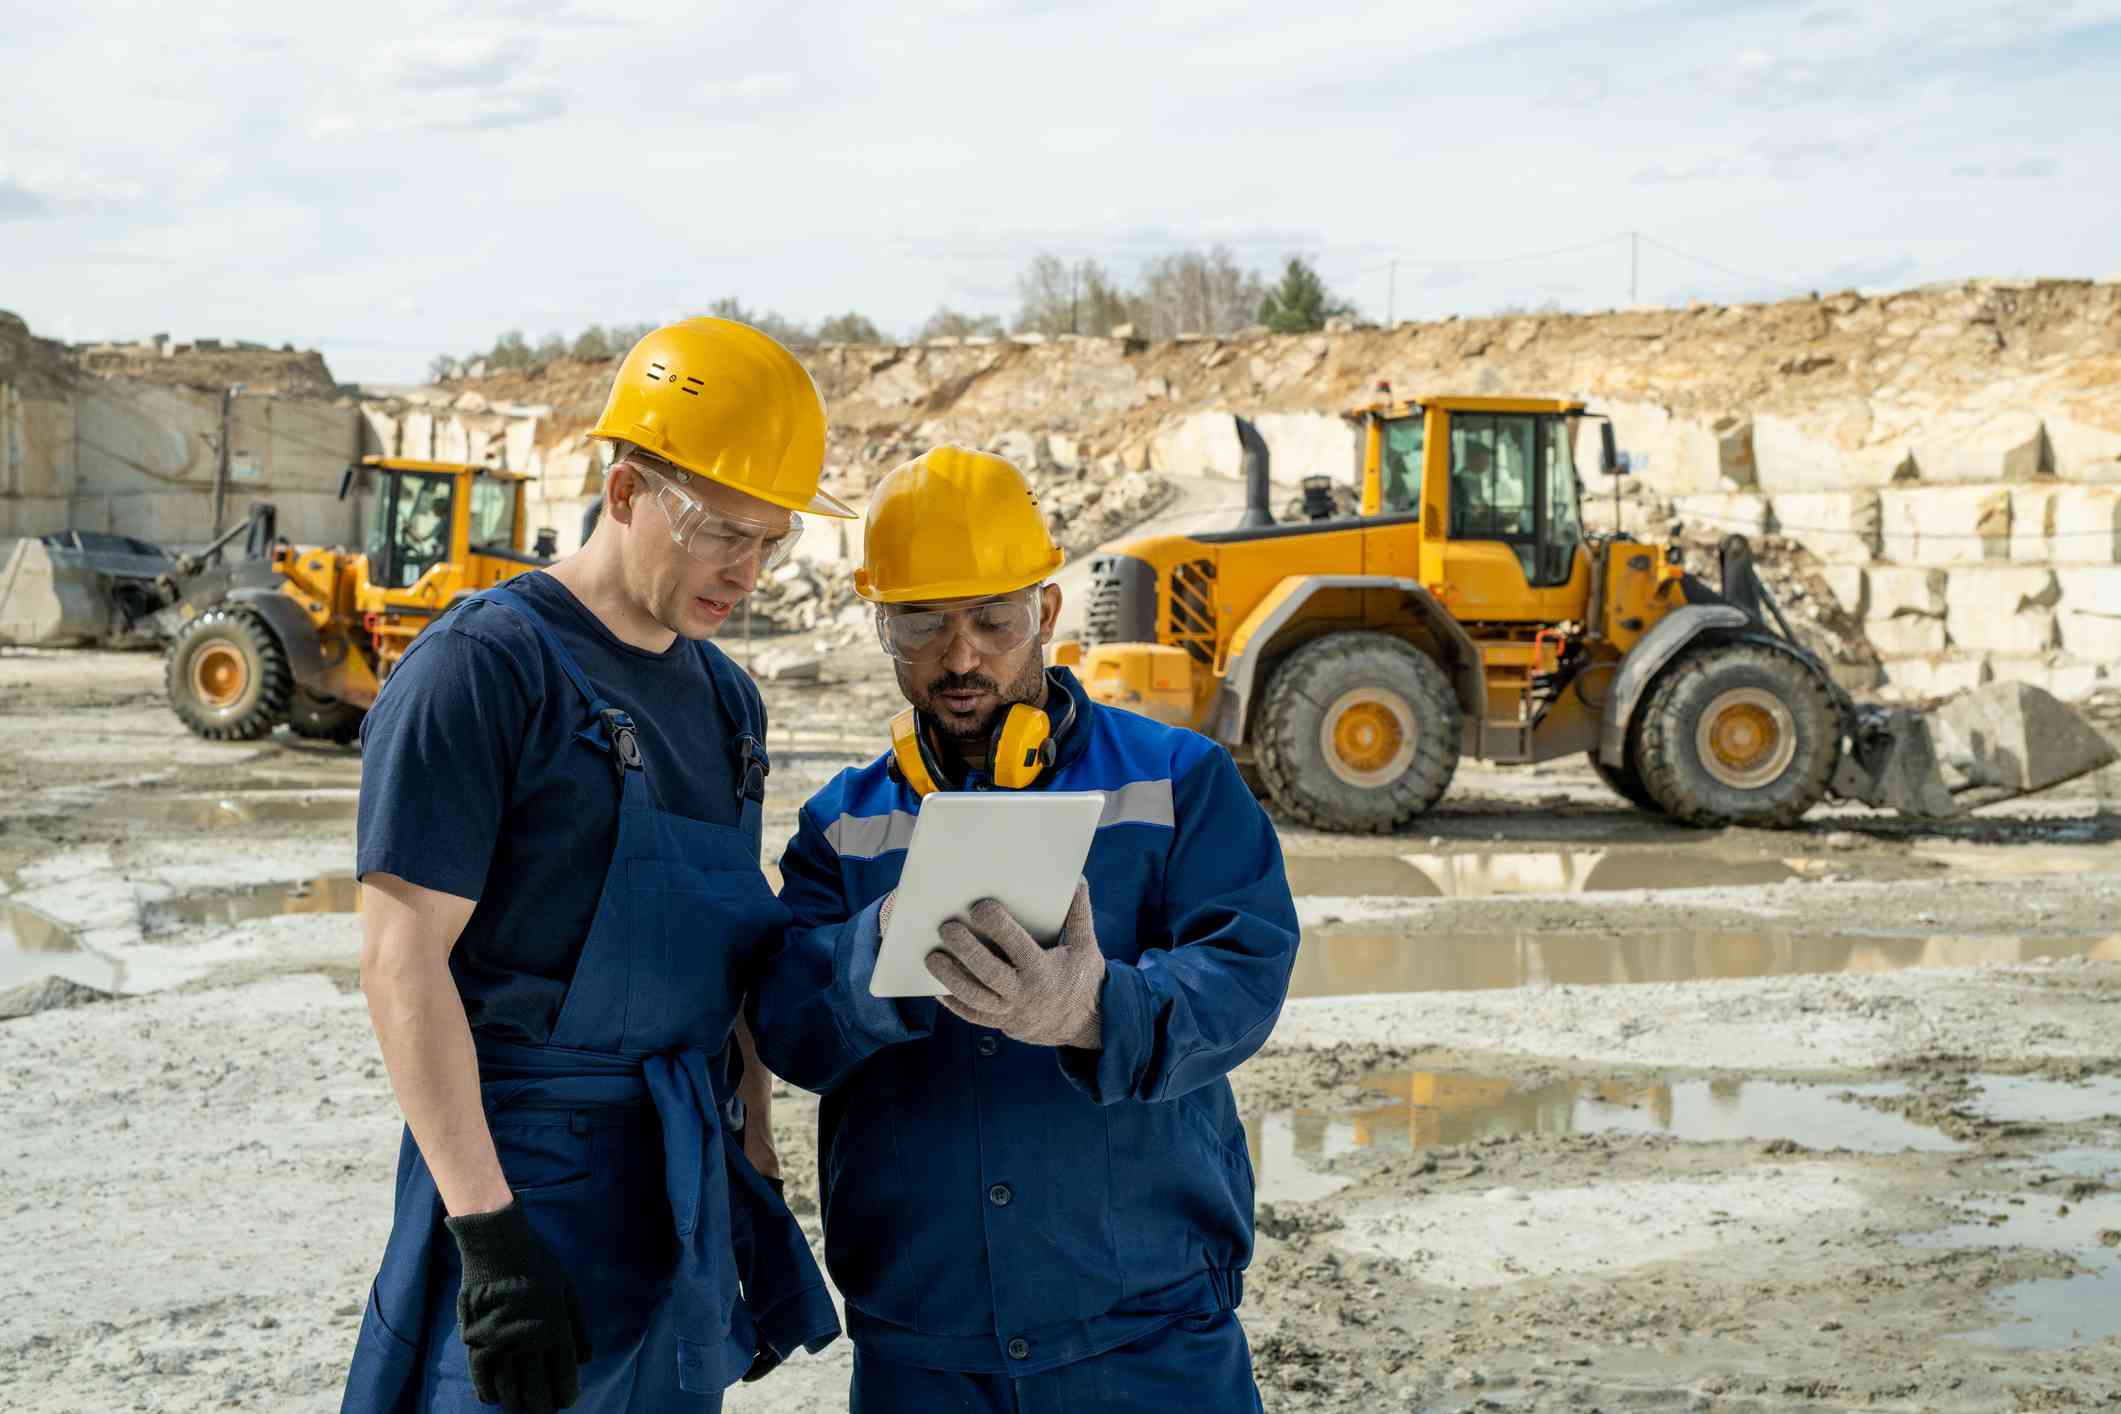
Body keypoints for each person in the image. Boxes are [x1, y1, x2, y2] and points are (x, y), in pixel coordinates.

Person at [342, 318, 850, 1414]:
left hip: (677, 1186)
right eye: (725, 534)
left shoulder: (727, 701)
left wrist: (753, 1153)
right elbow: (399, 961)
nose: (749, 573)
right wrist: (488, 1231)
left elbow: (734, 956)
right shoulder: (482, 668)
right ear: (625, 492)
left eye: (774, 540)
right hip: (527, 1180)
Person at [749, 446, 1302, 1413]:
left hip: (1148, 1327)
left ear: (1044, 614)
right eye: (921, 621)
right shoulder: (841, 823)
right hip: (926, 1339)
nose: (959, 656)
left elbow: (1245, 975)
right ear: (881, 624)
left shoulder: (1177, 781)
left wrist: (1097, 1011)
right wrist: (866, 963)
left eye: (991, 620)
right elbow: (787, 1026)